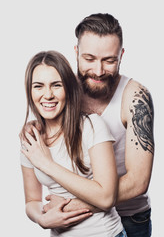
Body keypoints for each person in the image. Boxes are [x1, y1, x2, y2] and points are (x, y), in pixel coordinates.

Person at [42, 13, 154, 237]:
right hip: (78, 225)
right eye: (89, 59)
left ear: (121, 56)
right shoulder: (61, 91)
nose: (99, 70)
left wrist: (70, 206)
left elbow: (138, 181)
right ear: (76, 53)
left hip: (129, 219)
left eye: (109, 60)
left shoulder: (134, 97)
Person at [20, 50, 127, 236]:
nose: (48, 95)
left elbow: (106, 197)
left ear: (68, 88)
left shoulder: (92, 126)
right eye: (38, 86)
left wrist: (47, 164)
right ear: (30, 92)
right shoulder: (31, 139)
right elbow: (31, 200)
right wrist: (42, 219)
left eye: (56, 85)